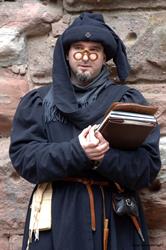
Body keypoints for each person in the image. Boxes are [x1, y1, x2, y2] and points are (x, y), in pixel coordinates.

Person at [9, 12, 161, 250]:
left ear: (104, 57)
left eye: (94, 50)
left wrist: (103, 157)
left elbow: (147, 168)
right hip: (58, 216)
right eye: (78, 49)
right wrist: (77, 151)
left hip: (115, 220)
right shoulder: (38, 102)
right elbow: (25, 159)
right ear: (67, 55)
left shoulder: (128, 102)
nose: (85, 57)